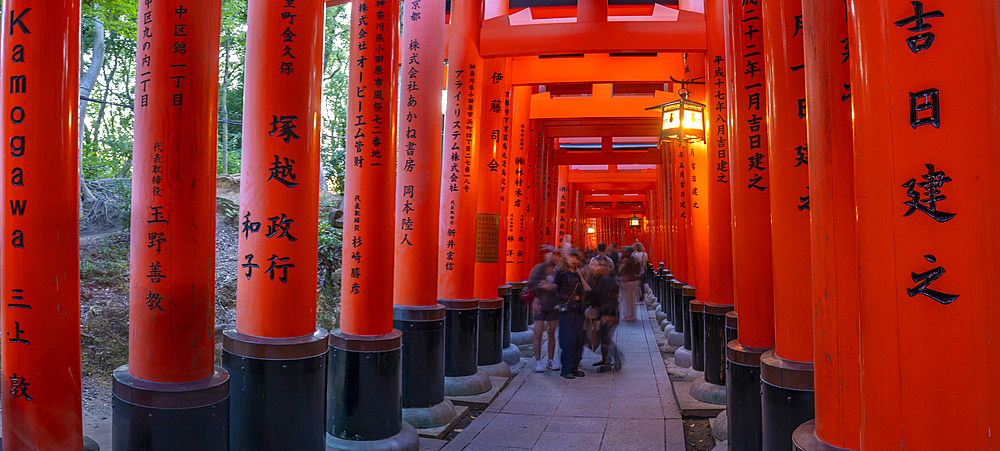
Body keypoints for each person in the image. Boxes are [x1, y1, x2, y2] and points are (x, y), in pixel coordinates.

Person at [555, 250, 590, 379]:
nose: (574, 260)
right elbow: (555, 288)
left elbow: (587, 289)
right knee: (568, 340)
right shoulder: (562, 273)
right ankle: (566, 369)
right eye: (571, 257)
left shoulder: (578, 274)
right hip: (567, 310)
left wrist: (579, 273)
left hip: (579, 310)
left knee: (579, 340)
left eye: (576, 258)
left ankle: (574, 368)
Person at [526, 249, 563, 372]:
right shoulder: (538, 269)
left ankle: (550, 360)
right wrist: (540, 288)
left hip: (553, 304)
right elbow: (532, 283)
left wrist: (554, 286)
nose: (550, 256)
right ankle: (537, 361)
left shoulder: (558, 270)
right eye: (547, 254)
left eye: (552, 254)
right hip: (540, 304)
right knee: (538, 333)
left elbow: (562, 285)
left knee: (552, 333)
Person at [586, 258, 620, 372]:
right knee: (603, 335)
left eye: (596, 266)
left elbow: (609, 299)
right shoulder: (596, 279)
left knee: (606, 337)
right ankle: (605, 358)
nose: (593, 268)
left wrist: (604, 316)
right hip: (602, 311)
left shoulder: (608, 280)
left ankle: (613, 360)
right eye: (592, 265)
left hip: (608, 312)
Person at [618, 246, 641, 322]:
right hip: (634, 280)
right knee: (633, 298)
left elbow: (621, 270)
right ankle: (633, 314)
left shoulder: (626, 261)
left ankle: (627, 315)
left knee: (626, 299)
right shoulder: (635, 260)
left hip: (626, 281)